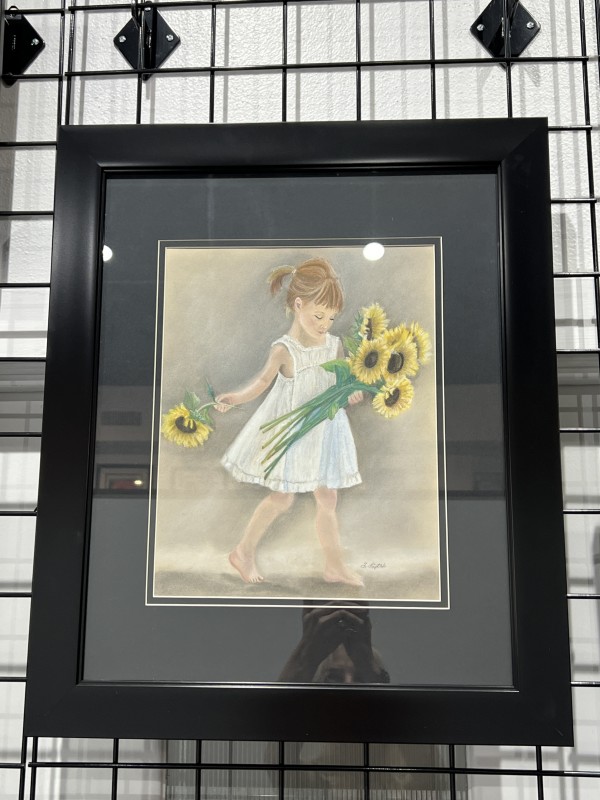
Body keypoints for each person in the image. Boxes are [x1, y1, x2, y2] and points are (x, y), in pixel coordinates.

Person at [216, 257, 363, 587]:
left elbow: (342, 383)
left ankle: (334, 565)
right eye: (318, 315)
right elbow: (261, 383)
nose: (325, 323)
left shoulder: (335, 345)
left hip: (325, 432)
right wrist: (234, 398)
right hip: (294, 434)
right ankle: (243, 552)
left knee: (328, 498)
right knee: (282, 498)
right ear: (299, 305)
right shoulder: (285, 349)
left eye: (331, 317)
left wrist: (350, 392)